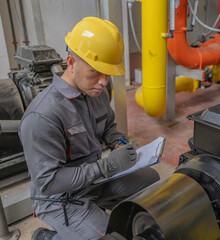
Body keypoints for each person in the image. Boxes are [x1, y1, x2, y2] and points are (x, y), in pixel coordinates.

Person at [18, 17, 159, 240]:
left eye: (108, 73)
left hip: (94, 181)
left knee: (151, 180)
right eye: (96, 71)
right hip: (60, 198)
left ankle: (95, 220)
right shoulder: (43, 116)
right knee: (112, 237)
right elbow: (48, 182)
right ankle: (47, 237)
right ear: (71, 62)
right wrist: (106, 167)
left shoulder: (96, 92)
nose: (103, 82)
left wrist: (117, 142)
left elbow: (108, 125)